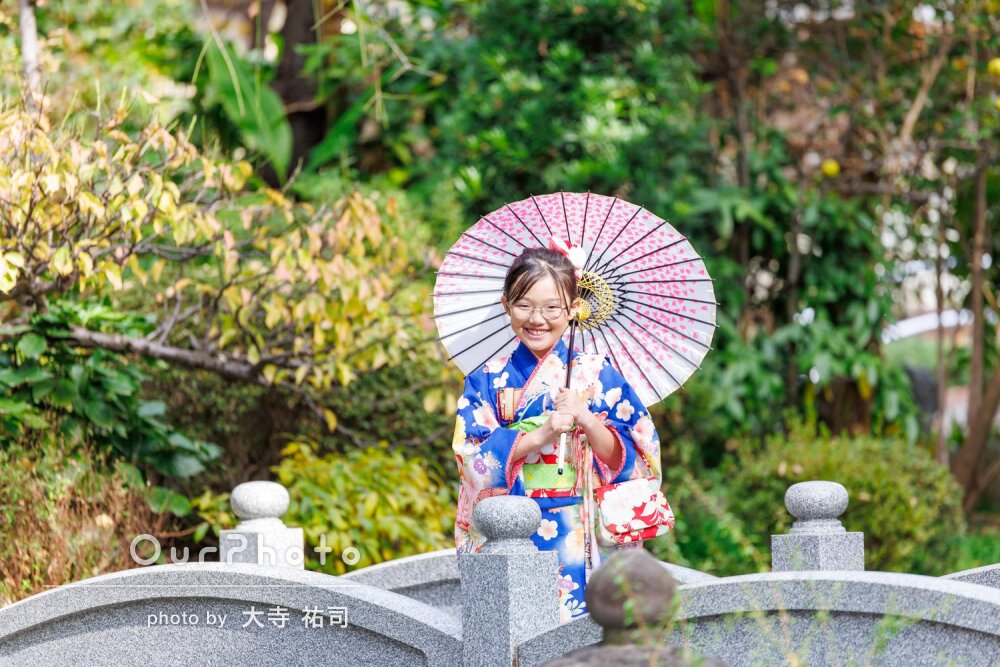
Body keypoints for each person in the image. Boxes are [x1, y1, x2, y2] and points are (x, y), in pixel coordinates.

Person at [451, 244, 667, 623]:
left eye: (552, 307)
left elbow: (634, 456)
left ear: (573, 309)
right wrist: (540, 434)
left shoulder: (598, 376)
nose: (537, 318)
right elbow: (471, 459)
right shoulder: (485, 379)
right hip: (508, 527)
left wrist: (585, 417)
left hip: (578, 528)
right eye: (524, 305)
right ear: (506, 305)